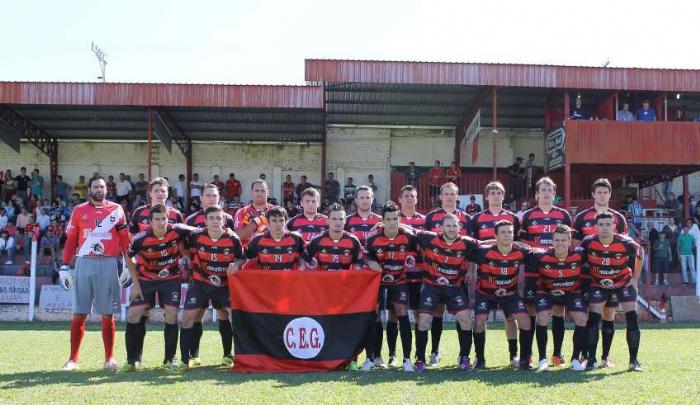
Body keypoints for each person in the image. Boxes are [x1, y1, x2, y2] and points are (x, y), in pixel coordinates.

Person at [59, 176, 131, 371]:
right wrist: (65, 265)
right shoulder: (79, 210)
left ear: (107, 189)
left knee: (108, 314)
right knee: (79, 313)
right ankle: (73, 360)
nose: (99, 189)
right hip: (84, 262)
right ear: (89, 189)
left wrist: (128, 265)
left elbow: (125, 239)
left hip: (109, 263)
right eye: (96, 186)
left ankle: (110, 359)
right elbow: (71, 240)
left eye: (102, 186)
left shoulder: (116, 210)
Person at [122, 204, 192, 371]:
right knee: (133, 315)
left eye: (164, 219)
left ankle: (170, 359)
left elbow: (199, 231)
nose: (161, 223)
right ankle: (132, 361)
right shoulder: (140, 238)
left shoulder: (177, 230)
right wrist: (135, 284)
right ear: (150, 221)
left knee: (172, 315)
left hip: (171, 279)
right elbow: (128, 256)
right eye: (157, 219)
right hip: (145, 280)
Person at [178, 206, 245, 370]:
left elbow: (241, 258)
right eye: (212, 218)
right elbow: (184, 248)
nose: (215, 221)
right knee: (189, 317)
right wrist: (192, 259)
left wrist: (236, 264)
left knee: (230, 315)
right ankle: (187, 359)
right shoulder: (196, 236)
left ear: (224, 220)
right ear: (205, 221)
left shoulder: (233, 239)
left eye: (218, 218)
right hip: (200, 282)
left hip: (223, 284)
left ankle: (228, 356)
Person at [413, 214, 480, 372]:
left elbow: (485, 244)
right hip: (431, 287)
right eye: (448, 226)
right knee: (423, 320)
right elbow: (409, 230)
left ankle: (464, 358)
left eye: (454, 226)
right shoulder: (428, 238)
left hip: (454, 289)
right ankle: (420, 359)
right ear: (441, 227)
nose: (451, 229)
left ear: (459, 228)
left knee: (466, 320)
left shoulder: (466, 243)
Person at [572, 178, 628, 366]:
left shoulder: (618, 218)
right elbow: (575, 247)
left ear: (610, 195)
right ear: (593, 194)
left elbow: (624, 247)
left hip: (612, 276)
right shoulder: (581, 217)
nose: (602, 195)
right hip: (589, 275)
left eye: (605, 192)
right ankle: (587, 355)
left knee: (609, 315)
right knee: (588, 315)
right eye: (599, 192)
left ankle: (605, 357)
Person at [519, 176, 572, 365]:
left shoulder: (564, 215)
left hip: (558, 272)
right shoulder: (528, 216)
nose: (546, 193)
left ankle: (557, 355)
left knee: (559, 310)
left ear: (554, 193)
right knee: (532, 311)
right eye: (543, 190)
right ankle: (530, 355)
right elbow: (523, 244)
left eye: (549, 190)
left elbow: (569, 242)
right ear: (537, 194)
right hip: (534, 272)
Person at [581, 211, 643, 371]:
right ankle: (592, 360)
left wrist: (635, 279)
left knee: (632, 317)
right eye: (601, 224)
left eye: (608, 224)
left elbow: (640, 253)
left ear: (614, 226)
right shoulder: (588, 242)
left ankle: (633, 361)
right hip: (598, 284)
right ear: (596, 227)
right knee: (593, 320)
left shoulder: (626, 242)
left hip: (623, 283)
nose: (605, 228)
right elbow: (578, 259)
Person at [470, 181, 522, 367]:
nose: (496, 196)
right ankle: (480, 357)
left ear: (503, 195)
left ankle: (513, 356)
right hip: (485, 276)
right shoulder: (476, 218)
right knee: (480, 318)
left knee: (511, 317)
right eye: (492, 193)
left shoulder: (513, 218)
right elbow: (472, 245)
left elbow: (517, 245)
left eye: (499, 192)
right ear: (487, 196)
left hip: (508, 277)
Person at [183, 183, 235, 365]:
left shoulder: (227, 218)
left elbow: (231, 245)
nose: (211, 198)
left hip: (222, 278)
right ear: (201, 198)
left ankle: (227, 355)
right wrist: (195, 261)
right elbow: (186, 247)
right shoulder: (190, 220)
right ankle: (194, 355)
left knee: (223, 313)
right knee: (197, 314)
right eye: (208, 195)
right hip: (200, 276)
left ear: (219, 198)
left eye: (214, 195)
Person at [471, 220, 533, 371]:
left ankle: (521, 358)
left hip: (510, 294)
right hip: (485, 293)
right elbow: (469, 254)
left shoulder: (522, 252)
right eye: (503, 232)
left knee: (524, 320)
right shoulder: (483, 252)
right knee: (479, 320)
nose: (507, 235)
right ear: (496, 235)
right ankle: (480, 359)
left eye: (510, 232)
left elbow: (536, 254)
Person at [364, 201, 419, 372]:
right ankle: (372, 358)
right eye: (388, 219)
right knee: (376, 317)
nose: (392, 222)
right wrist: (370, 262)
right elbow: (364, 256)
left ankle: (406, 359)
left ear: (400, 219)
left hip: (399, 281)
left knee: (401, 314)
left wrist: (411, 259)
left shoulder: (410, 236)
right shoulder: (373, 239)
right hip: (378, 283)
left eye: (395, 218)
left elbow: (420, 249)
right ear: (382, 221)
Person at [527, 225, 588, 371]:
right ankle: (542, 360)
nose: (560, 243)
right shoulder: (540, 255)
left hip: (572, 292)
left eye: (563, 240)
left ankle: (575, 359)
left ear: (569, 241)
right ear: (552, 242)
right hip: (547, 292)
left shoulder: (579, 255)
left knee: (581, 319)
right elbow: (522, 253)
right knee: (541, 317)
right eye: (557, 240)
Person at [422, 182, 471, 366]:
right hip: (435, 275)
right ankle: (434, 352)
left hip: (458, 275)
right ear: (440, 196)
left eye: (453, 194)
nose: (450, 197)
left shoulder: (466, 218)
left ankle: (462, 355)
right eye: (446, 194)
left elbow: (471, 247)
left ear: (457, 197)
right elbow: (424, 245)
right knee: (437, 313)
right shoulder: (431, 218)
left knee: (461, 313)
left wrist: (469, 271)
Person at [303, 203, 363, 272]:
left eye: (341, 219)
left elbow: (359, 263)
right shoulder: (317, 240)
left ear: (345, 221)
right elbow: (303, 258)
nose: (337, 222)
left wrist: (357, 267)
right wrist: (302, 265)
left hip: (345, 281)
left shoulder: (353, 240)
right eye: (334, 219)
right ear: (327, 221)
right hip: (323, 281)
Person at [244, 206, 305, 271]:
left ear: (286, 222)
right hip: (267, 279)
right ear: (268, 223)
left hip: (289, 279)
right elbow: (244, 258)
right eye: (274, 220)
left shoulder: (296, 238)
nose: (278, 224)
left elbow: (302, 255)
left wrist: (302, 265)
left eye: (281, 220)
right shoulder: (257, 241)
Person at [234, 179, 272, 246]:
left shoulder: (276, 211)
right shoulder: (241, 212)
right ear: (251, 192)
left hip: (271, 253)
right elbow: (238, 236)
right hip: (248, 254)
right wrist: (256, 222)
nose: (259, 193)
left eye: (263, 191)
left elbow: (282, 235)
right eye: (256, 190)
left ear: (268, 192)